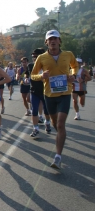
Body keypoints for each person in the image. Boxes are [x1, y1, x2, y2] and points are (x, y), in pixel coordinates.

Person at [31, 30, 79, 169]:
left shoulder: (68, 54)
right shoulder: (41, 58)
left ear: (59, 41)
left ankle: (58, 156)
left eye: (55, 39)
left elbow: (75, 66)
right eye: (50, 39)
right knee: (54, 123)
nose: (52, 41)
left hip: (64, 93)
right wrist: (41, 76)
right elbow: (33, 75)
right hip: (49, 95)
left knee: (60, 124)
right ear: (46, 42)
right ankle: (61, 137)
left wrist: (73, 75)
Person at [28, 48, 52, 137]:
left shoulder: (47, 65)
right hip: (34, 90)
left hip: (45, 91)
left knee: (46, 110)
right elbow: (31, 74)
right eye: (33, 56)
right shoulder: (31, 65)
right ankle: (35, 128)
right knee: (34, 110)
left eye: (36, 56)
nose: (34, 58)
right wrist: (27, 78)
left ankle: (47, 122)